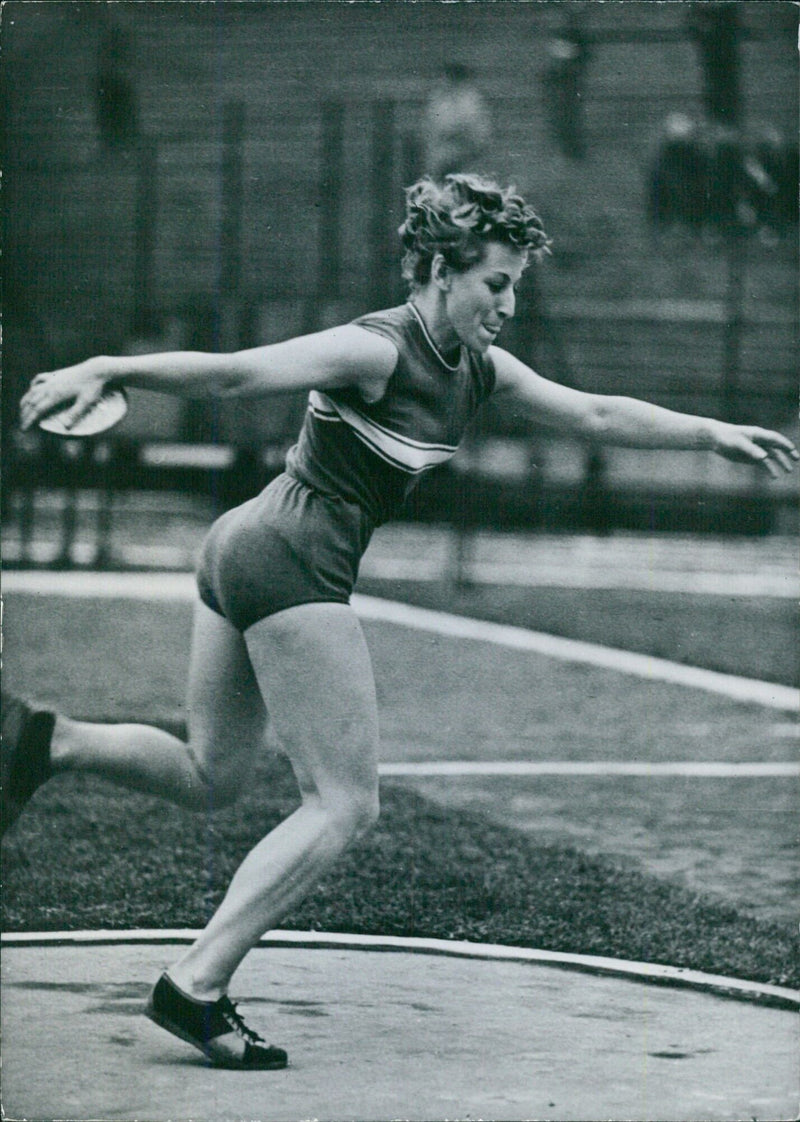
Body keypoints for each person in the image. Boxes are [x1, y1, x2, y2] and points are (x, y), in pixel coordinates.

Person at [3, 173, 797, 1071]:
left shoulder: (480, 370)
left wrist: (712, 433)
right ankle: (194, 988)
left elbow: (596, 411)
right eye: (494, 284)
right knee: (345, 803)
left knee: (210, 773)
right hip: (289, 557)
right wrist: (109, 368)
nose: (506, 304)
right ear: (438, 270)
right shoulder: (379, 347)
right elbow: (236, 374)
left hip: (245, 543)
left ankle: (43, 741)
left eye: (515, 288)